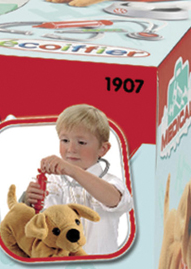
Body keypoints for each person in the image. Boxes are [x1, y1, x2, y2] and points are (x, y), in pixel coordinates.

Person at [24, 104, 133, 255]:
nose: (71, 149)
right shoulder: (52, 182)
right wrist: (27, 200)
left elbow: (116, 200)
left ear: (102, 149)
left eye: (81, 142)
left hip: (102, 265)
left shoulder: (110, 182)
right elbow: (37, 224)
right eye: (65, 140)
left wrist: (73, 171)